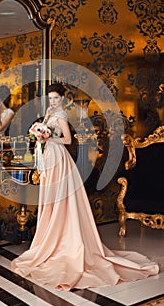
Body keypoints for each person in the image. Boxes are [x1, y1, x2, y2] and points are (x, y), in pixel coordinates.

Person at [11, 82, 159, 290]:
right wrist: (39, 135)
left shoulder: (61, 114)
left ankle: (64, 242)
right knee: (51, 200)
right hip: (49, 158)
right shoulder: (48, 113)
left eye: (55, 98)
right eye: (50, 98)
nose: (52, 101)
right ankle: (48, 242)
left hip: (59, 160)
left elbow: (68, 139)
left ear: (61, 99)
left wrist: (48, 136)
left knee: (61, 201)